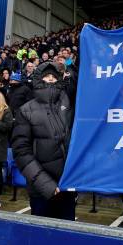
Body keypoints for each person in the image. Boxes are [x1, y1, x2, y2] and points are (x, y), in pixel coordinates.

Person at [11, 62, 75, 220]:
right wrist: (46, 185)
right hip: (41, 191)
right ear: (38, 79)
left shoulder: (68, 104)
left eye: (54, 76)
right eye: (47, 76)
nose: (51, 79)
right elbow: (21, 153)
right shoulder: (26, 110)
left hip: (67, 187)